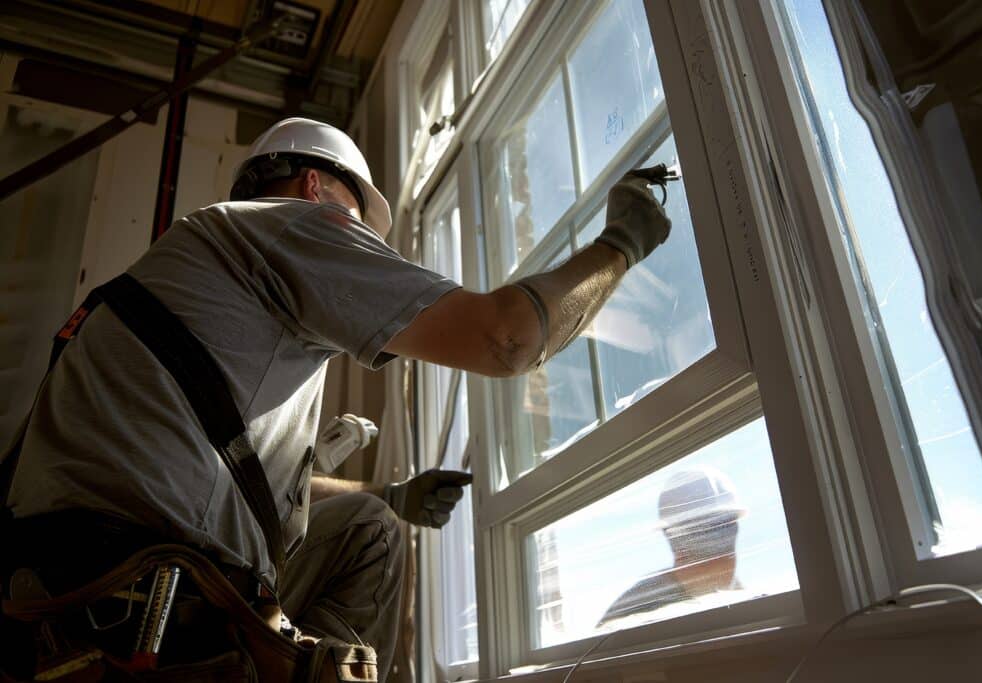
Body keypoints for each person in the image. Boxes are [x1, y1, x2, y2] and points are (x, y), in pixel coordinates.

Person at [0, 117, 671, 679]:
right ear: (315, 186)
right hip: (144, 599)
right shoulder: (292, 225)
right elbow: (505, 339)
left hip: (50, 601)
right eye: (356, 220)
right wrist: (623, 242)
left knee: (367, 524)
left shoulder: (191, 276)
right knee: (370, 544)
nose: (365, 247)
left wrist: (389, 494)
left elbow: (225, 478)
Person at [598, 466, 745, 626]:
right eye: (707, 531)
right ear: (674, 540)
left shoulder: (739, 597)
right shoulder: (639, 605)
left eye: (726, 527)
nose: (722, 539)